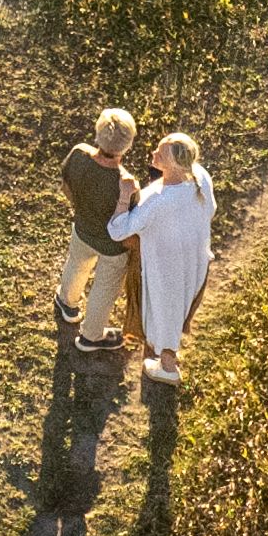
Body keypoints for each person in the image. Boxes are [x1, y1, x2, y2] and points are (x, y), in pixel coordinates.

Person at [127, 130, 215, 383]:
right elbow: (210, 210)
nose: (153, 153)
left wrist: (123, 203)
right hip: (195, 259)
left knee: (168, 309)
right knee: (177, 307)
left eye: (160, 153)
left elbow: (123, 229)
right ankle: (164, 354)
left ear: (174, 163)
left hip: (170, 264)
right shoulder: (201, 177)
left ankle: (167, 366)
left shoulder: (157, 196)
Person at [58, 109, 138, 349]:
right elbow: (128, 224)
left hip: (82, 230)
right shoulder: (127, 183)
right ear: (128, 145)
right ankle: (91, 336)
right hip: (112, 248)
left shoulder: (78, 154)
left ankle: (68, 304)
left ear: (97, 133)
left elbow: (66, 185)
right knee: (104, 289)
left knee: (76, 266)